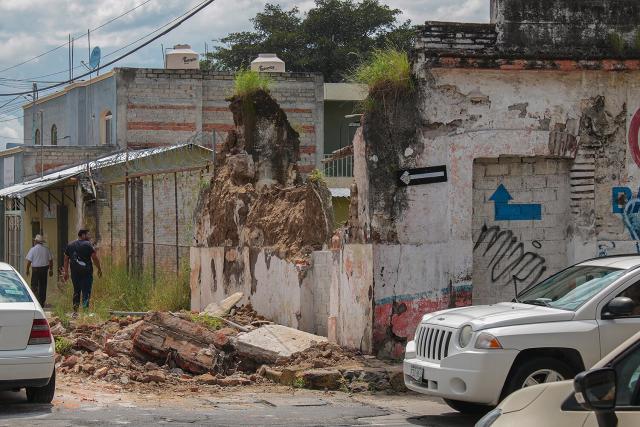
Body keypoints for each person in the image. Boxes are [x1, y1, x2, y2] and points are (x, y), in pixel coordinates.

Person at [63, 229, 102, 315]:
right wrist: (99, 268)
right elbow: (94, 257)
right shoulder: (88, 244)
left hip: (75, 274)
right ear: (83, 235)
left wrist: (66, 272)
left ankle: (75, 312)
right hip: (86, 273)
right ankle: (85, 312)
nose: (89, 237)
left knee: (76, 291)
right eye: (88, 235)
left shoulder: (70, 245)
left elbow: (66, 259)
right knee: (86, 292)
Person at [25, 234, 53, 307]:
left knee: (34, 286)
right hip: (44, 270)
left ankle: (36, 301)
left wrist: (27, 270)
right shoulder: (46, 249)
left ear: (36, 241)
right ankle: (42, 302)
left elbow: (29, 261)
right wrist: (51, 270)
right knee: (43, 286)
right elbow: (50, 260)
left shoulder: (33, 249)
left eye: (34, 241)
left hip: (36, 270)